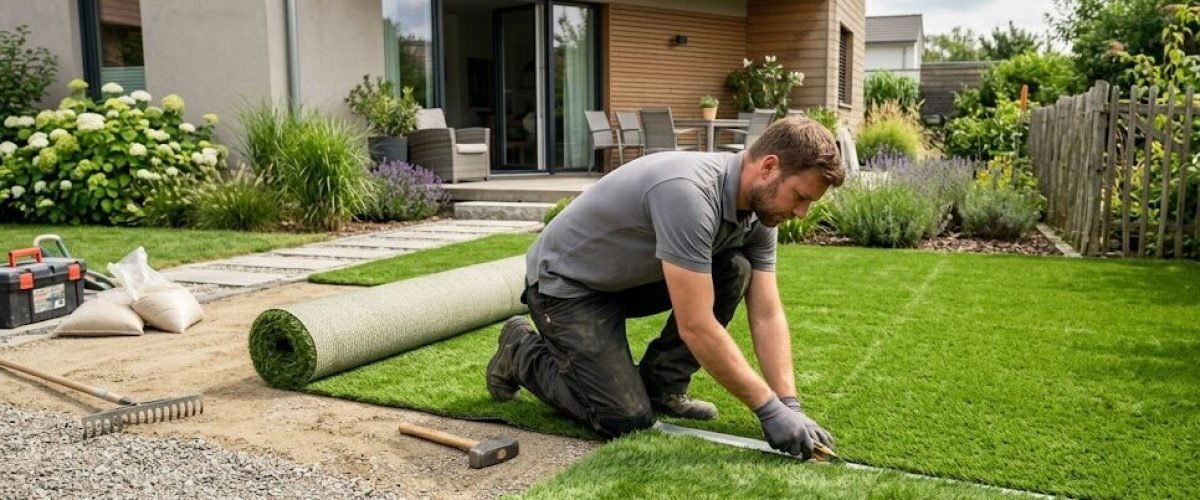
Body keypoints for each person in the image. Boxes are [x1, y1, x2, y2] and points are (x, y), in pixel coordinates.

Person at [486, 117, 845, 459]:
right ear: (768, 167)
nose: (801, 212)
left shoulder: (759, 216)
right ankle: (520, 351)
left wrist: (789, 404)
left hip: (628, 279)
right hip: (567, 287)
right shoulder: (689, 193)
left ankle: (662, 385)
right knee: (625, 419)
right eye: (800, 197)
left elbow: (767, 314)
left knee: (735, 268)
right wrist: (767, 409)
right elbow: (696, 326)